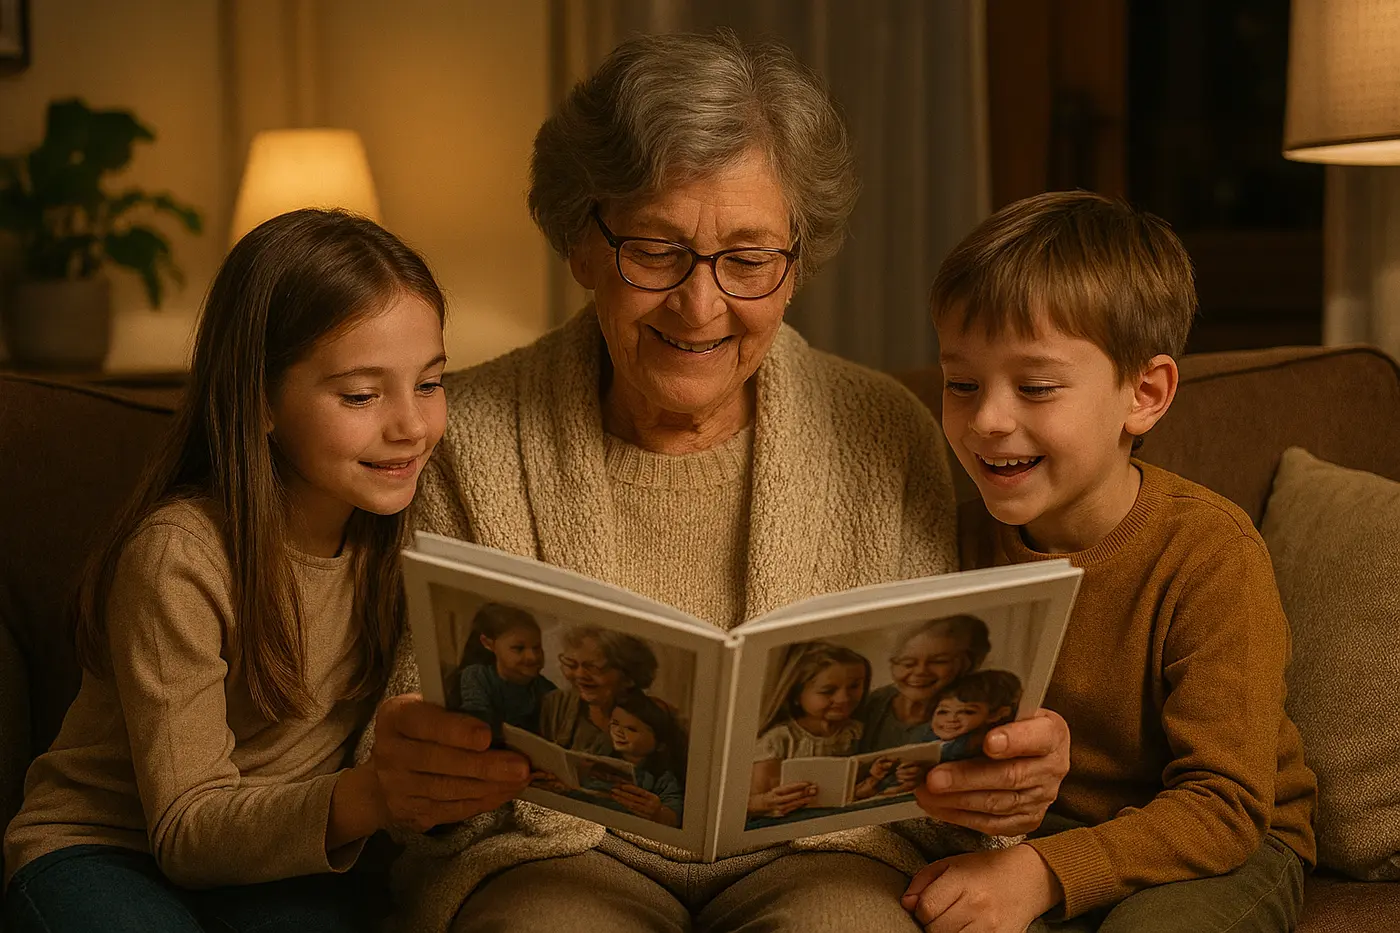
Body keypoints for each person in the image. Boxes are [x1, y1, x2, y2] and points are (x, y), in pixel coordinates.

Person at [360, 31, 1073, 933]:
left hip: (824, 856)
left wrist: (1001, 772)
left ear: (796, 263)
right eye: (655, 250)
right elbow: (417, 716)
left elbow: (935, 715)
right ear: (582, 244)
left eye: (746, 259)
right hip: (554, 851)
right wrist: (421, 762)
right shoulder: (474, 433)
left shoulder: (888, 431)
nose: (700, 306)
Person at [2, 209, 450, 933]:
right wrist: (373, 796)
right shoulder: (178, 555)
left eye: (430, 382)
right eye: (362, 395)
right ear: (260, 400)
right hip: (106, 848)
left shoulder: (408, 526)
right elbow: (184, 831)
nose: (411, 425)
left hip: (275, 855)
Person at [904, 191, 1317, 933]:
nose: (989, 419)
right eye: (962, 383)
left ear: (1145, 393)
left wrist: (1040, 874)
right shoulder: (951, 538)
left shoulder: (1209, 551)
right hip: (1031, 836)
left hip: (1226, 845)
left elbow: (1225, 806)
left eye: (1035, 387)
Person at [749, 642, 871, 818]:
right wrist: (766, 802)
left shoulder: (857, 732)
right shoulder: (779, 739)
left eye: (854, 686)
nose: (844, 698)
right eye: (827, 691)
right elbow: (756, 797)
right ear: (797, 695)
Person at [858, 615, 992, 753]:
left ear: (966, 664)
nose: (920, 671)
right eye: (908, 663)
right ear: (893, 665)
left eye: (938, 661)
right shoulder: (876, 701)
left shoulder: (971, 716)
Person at [538, 626, 658, 753]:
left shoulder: (651, 721)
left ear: (628, 677)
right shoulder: (556, 704)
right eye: (571, 664)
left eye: (593, 667)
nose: (579, 675)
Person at [586, 693, 688, 827]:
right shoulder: (601, 757)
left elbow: (675, 815)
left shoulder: (661, 777)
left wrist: (657, 812)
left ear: (660, 744)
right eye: (615, 723)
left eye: (631, 729)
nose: (618, 731)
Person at [456, 603, 556, 736]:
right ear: (489, 644)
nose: (532, 657)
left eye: (537, 648)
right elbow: (478, 725)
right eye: (518, 648)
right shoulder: (477, 676)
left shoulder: (546, 690)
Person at [910, 670, 1022, 761]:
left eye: (967, 712)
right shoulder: (926, 734)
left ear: (996, 715)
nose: (951, 719)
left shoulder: (974, 743)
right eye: (943, 712)